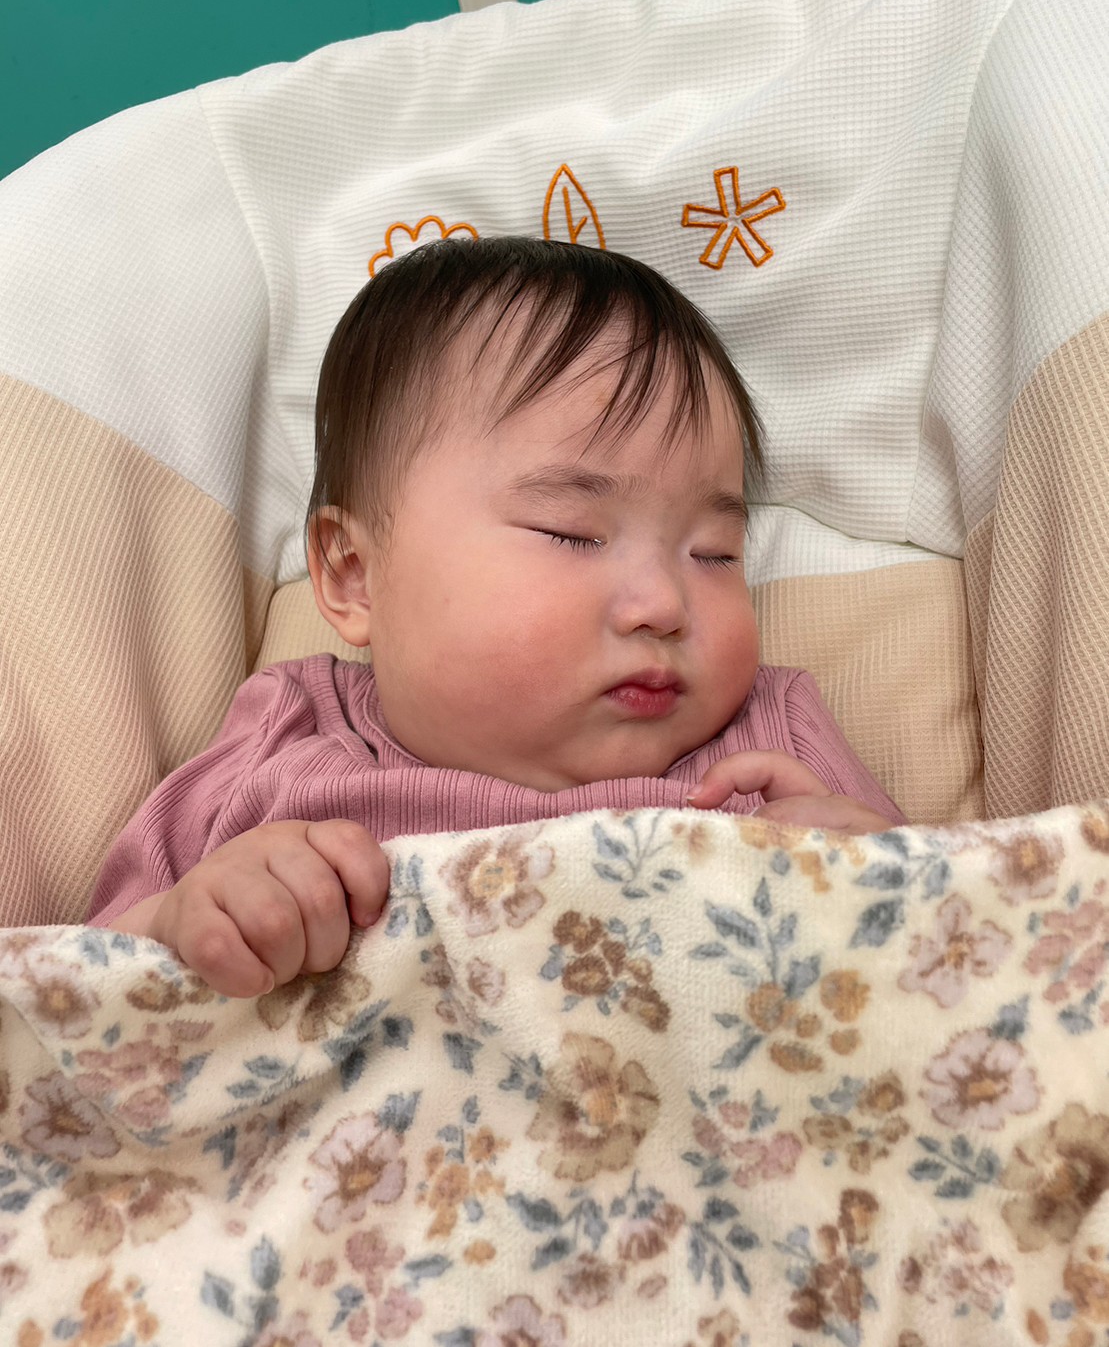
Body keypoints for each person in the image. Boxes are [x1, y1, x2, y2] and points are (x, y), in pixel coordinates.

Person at [89, 236, 901, 997]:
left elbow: (946, 941)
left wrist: (877, 872)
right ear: (353, 575)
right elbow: (72, 977)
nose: (663, 605)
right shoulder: (286, 738)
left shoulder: (771, 742)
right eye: (571, 533)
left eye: (715, 553)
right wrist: (189, 916)